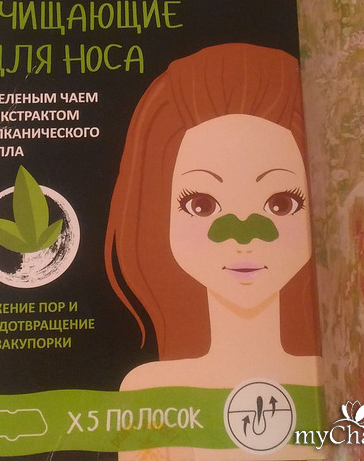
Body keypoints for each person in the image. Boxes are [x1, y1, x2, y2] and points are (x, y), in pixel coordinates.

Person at [104, 43, 323, 459]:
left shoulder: (342, 376)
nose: (242, 236)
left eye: (281, 204)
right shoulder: (151, 393)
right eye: (201, 205)